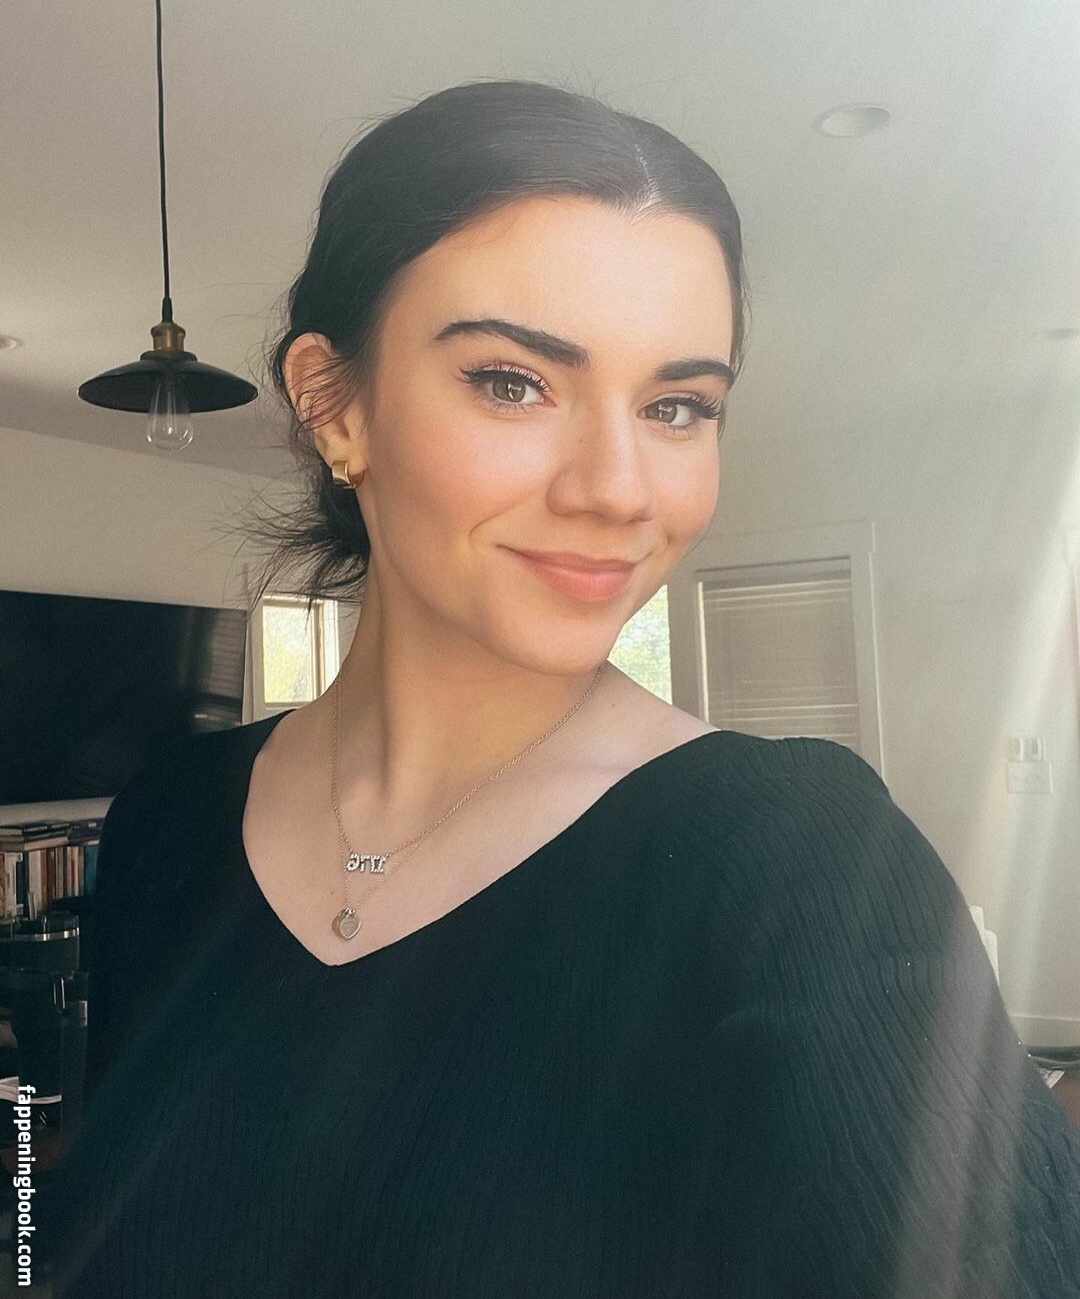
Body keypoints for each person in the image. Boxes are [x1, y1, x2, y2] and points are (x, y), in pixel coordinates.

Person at [41, 79, 1080, 1297]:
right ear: (333, 403)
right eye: (513, 381)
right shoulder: (169, 820)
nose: (619, 489)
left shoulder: (806, 862)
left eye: (678, 406)